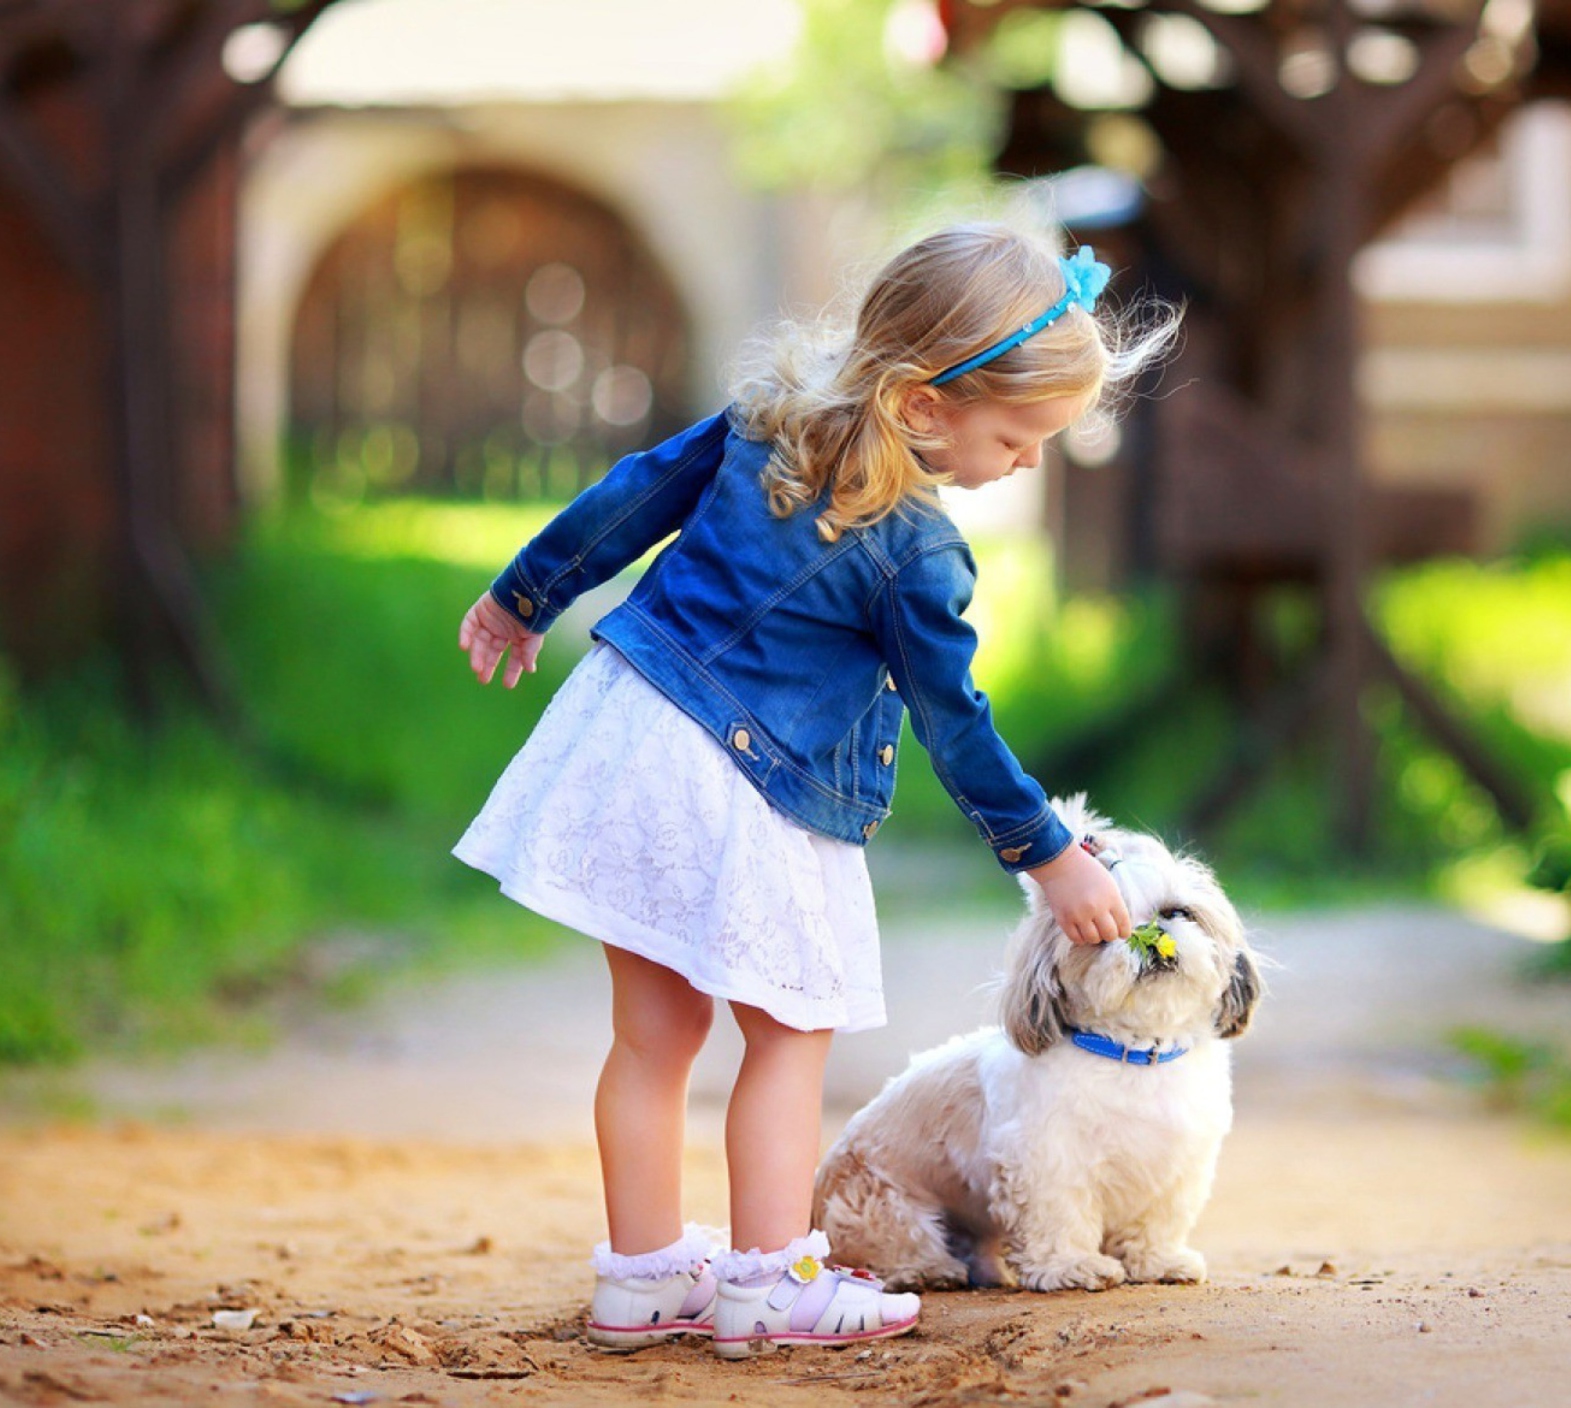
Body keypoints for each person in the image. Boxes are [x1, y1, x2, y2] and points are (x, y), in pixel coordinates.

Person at [453, 223, 1178, 1358]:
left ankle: (643, 1275)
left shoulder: (762, 423)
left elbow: (628, 497)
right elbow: (954, 724)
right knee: (791, 1031)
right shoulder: (917, 554)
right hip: (739, 780)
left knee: (654, 1032)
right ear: (930, 407)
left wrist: (522, 596)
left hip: (627, 735)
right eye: (1022, 435)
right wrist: (1049, 851)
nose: (1031, 460)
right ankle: (769, 1280)